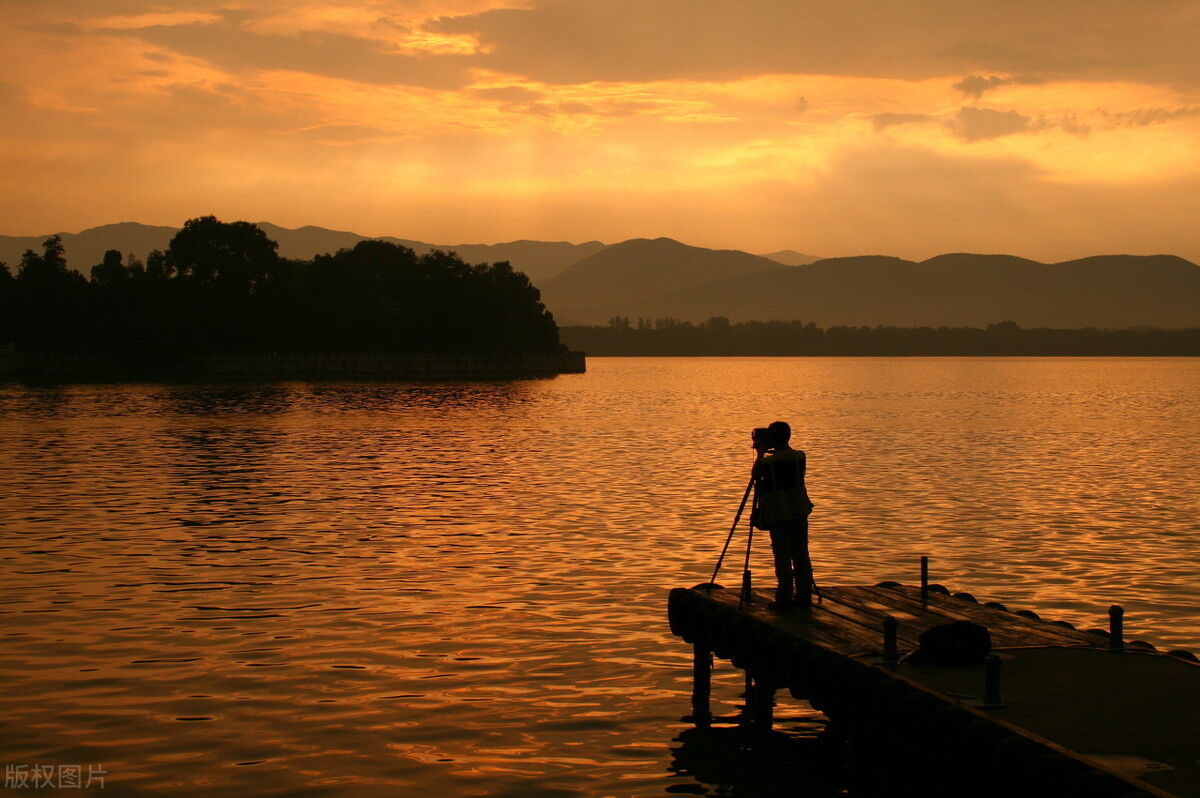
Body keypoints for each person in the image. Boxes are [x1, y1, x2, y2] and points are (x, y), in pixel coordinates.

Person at [753, 421, 814, 609]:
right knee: (801, 553)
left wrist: (761, 453)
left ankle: (784, 597)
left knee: (782, 555)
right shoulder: (799, 456)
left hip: (779, 512)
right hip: (799, 509)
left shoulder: (767, 462)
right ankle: (804, 595)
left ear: (772, 438)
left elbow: (755, 475)